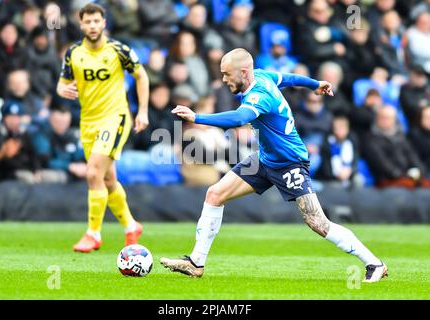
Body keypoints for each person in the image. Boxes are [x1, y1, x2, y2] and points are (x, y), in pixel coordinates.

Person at [161, 48, 388, 283]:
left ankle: (375, 264)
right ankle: (196, 262)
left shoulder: (259, 95)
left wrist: (197, 118)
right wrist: (314, 83)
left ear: (243, 72)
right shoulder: (261, 75)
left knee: (318, 223)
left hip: (290, 163)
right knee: (215, 194)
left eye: (227, 74)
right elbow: (287, 78)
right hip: (266, 158)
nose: (224, 79)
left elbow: (239, 119)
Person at [56, 3, 149, 253]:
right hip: (88, 122)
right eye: (88, 22)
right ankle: (131, 226)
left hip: (115, 117)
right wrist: (62, 89)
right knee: (107, 179)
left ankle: (93, 233)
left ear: (104, 23)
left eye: (97, 21)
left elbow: (141, 76)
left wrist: (142, 111)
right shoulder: (73, 53)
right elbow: (62, 82)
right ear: (81, 24)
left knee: (92, 173)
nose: (93, 26)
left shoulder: (119, 50)